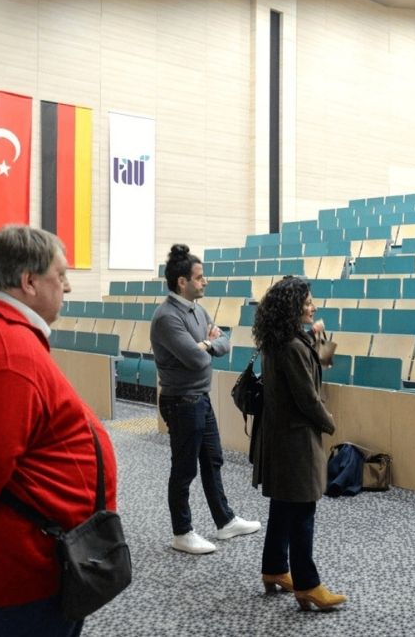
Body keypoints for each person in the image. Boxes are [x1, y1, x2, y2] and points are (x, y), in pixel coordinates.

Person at [0, 225, 118, 636]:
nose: (67, 286)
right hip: (21, 563)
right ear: (29, 281)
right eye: (60, 275)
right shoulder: (6, 349)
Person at [151, 244, 260, 555]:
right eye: (200, 277)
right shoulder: (167, 317)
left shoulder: (198, 310)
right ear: (182, 282)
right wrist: (205, 346)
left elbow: (225, 342)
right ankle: (182, 532)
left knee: (213, 460)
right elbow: (196, 360)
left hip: (200, 397)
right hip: (181, 401)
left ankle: (225, 521)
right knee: (184, 469)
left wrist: (206, 345)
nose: (205, 282)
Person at [253, 276, 346, 611]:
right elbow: (308, 398)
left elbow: (322, 364)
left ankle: (275, 568)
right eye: (307, 303)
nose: (313, 307)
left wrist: (318, 336)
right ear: (292, 307)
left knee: (282, 505)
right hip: (296, 439)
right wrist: (330, 423)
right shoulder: (291, 346)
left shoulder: (283, 340)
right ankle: (308, 585)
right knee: (303, 509)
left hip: (281, 435)